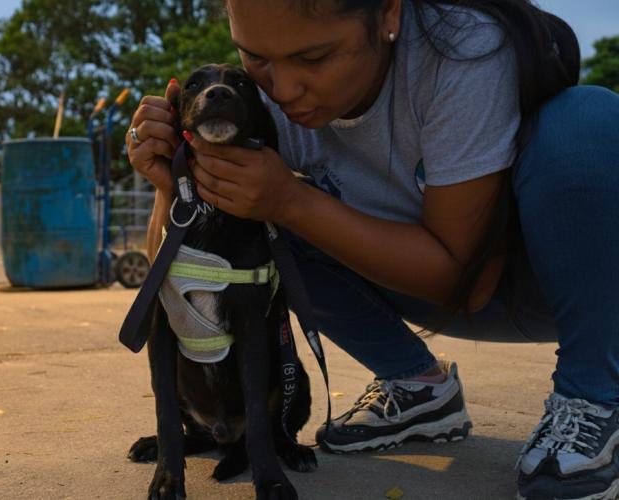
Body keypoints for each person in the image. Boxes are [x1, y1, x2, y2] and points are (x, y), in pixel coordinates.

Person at [125, 0, 619, 498]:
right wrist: (170, 183)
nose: (284, 90)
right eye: (255, 57)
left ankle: (594, 395)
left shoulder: (465, 51)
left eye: (314, 58)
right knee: (266, 212)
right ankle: (418, 387)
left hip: (564, 286)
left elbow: (467, 285)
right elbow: (174, 275)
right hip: (419, 282)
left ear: (388, 15)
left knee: (584, 121)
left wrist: (291, 200)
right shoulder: (260, 99)